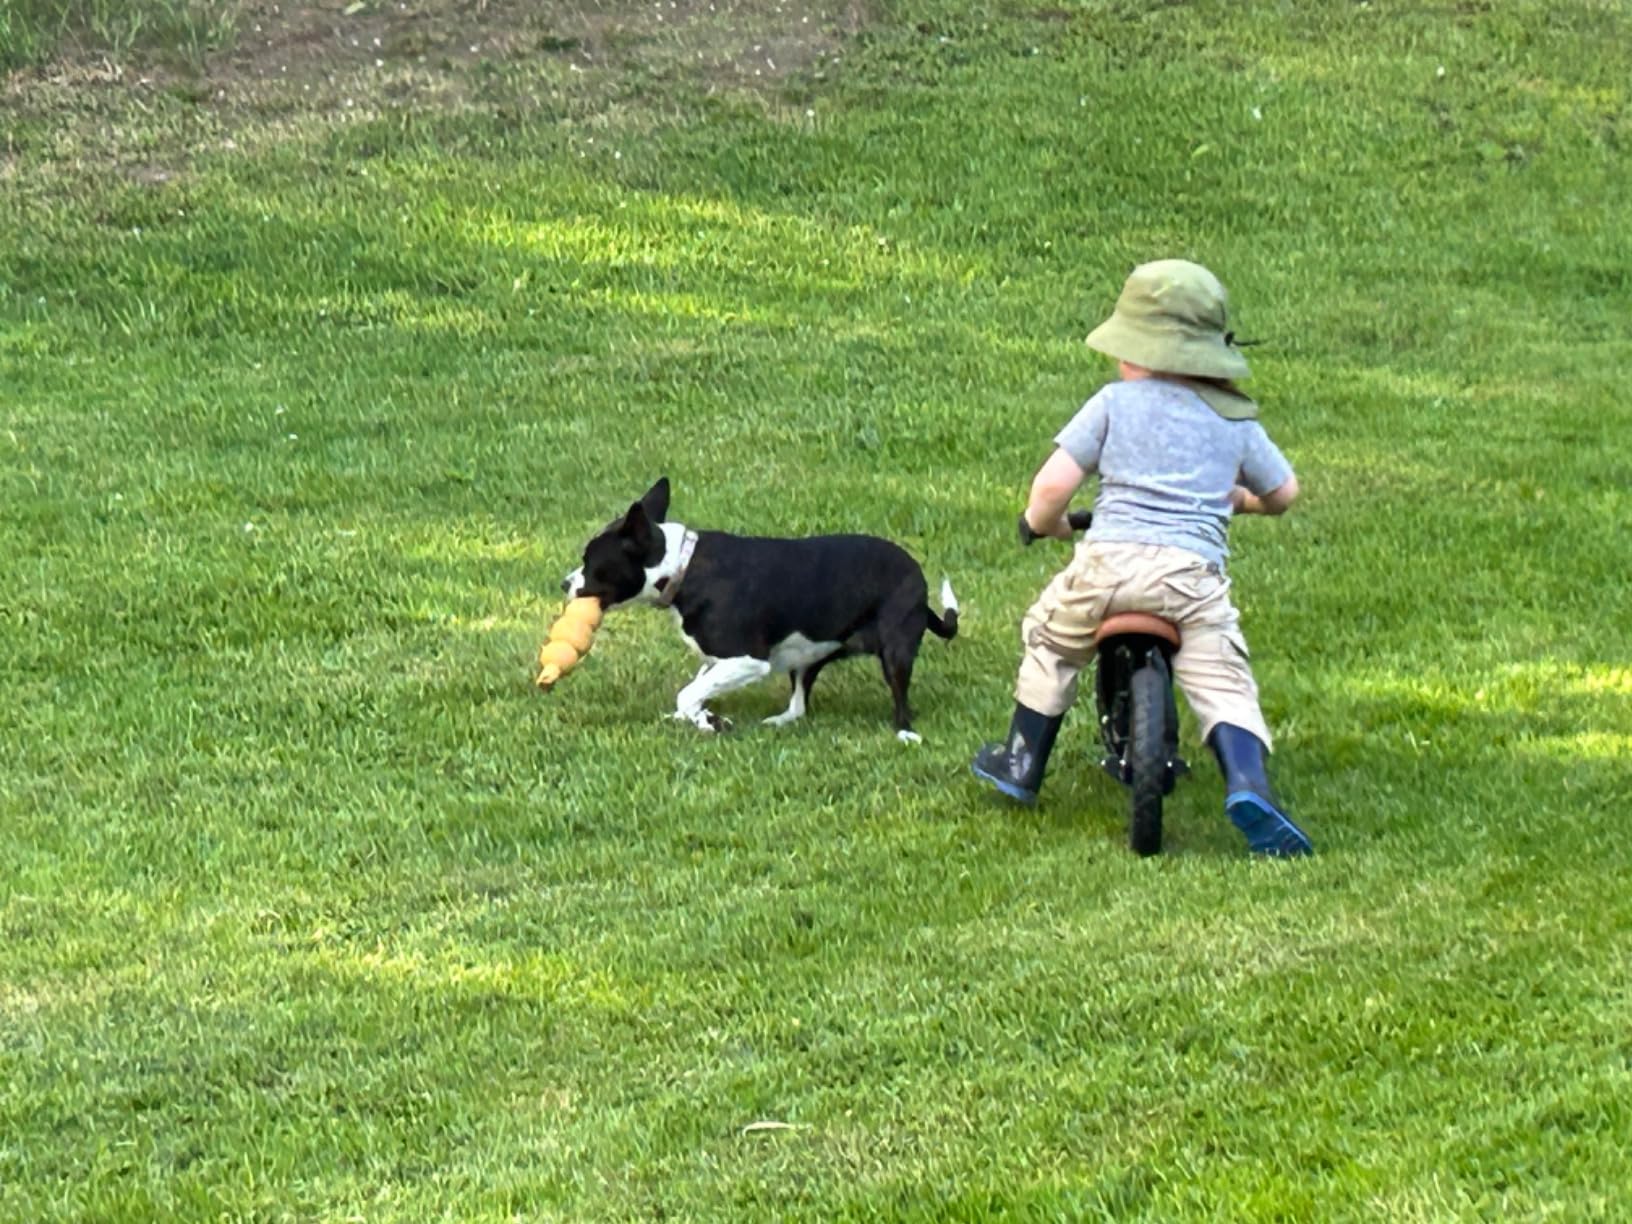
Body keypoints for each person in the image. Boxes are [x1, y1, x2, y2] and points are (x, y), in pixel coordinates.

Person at [970, 258, 1313, 857]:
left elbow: (1052, 488)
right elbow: (1283, 494)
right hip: (1190, 579)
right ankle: (1250, 783)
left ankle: (1020, 762)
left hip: (1107, 565)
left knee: (1051, 641)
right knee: (1221, 674)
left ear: (1139, 352)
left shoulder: (1112, 403)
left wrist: (1041, 524)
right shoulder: (1234, 419)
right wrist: (1238, 501)